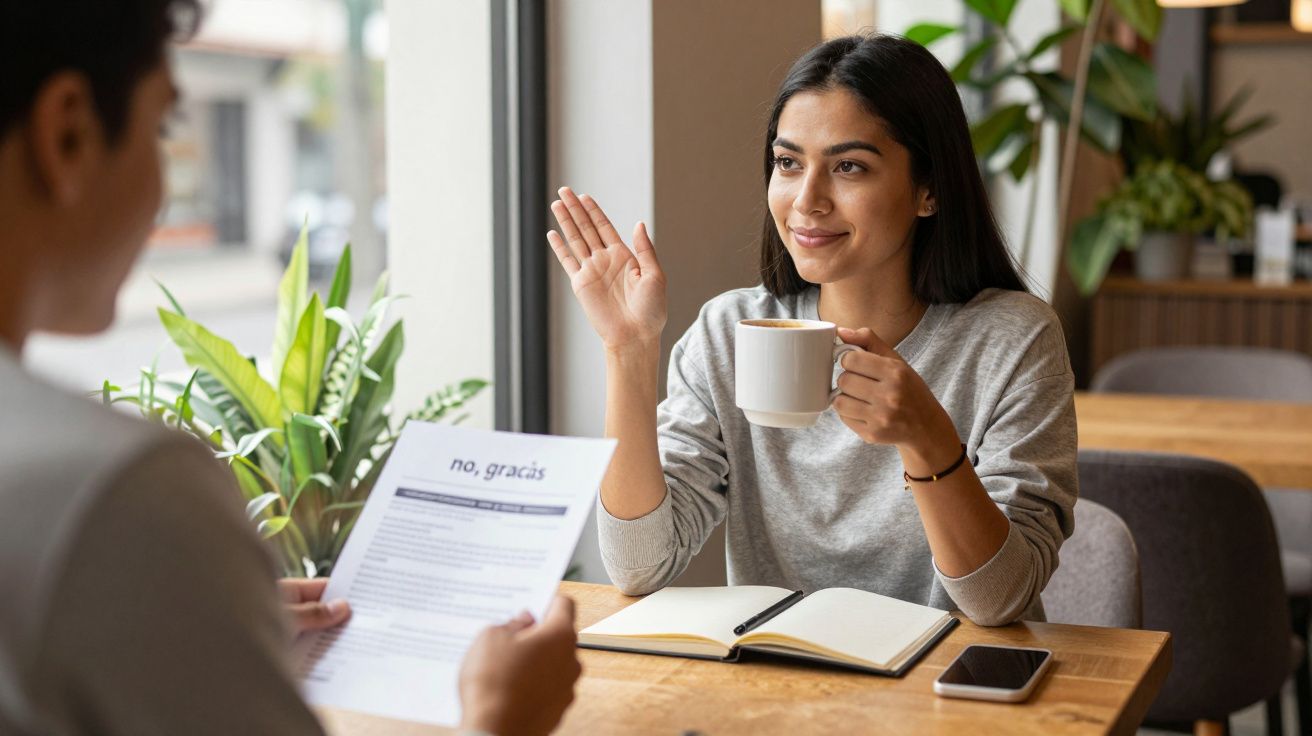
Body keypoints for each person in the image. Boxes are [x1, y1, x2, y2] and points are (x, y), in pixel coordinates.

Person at [0, 1, 579, 734]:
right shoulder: (119, 496)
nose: (159, 185)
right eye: (162, 127)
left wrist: (199, 622)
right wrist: (500, 719)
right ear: (69, 132)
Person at [547, 34, 1077, 626]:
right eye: (788, 163)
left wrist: (929, 439)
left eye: (849, 167)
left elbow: (999, 600)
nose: (807, 200)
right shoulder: (728, 334)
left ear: (928, 190)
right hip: (784, 689)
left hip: (949, 692)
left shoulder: (1013, 340)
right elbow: (639, 566)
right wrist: (629, 350)